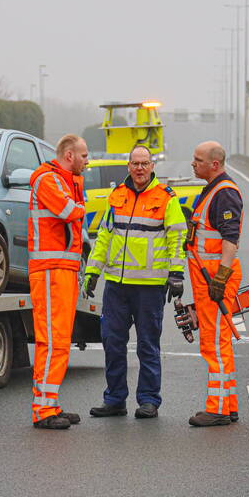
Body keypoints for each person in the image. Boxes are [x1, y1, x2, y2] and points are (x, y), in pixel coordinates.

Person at [83, 145, 186, 419]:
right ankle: (115, 399)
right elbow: (104, 238)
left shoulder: (166, 198)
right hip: (116, 285)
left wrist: (176, 273)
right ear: (128, 166)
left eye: (144, 163)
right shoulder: (116, 196)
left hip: (149, 286)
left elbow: (177, 237)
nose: (139, 168)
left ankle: (149, 400)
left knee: (147, 345)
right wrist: (92, 271)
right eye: (135, 163)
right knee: (112, 342)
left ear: (152, 166)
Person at [28, 134, 89, 430]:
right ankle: (43, 409)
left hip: (63, 268)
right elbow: (69, 212)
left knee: (60, 341)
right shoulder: (46, 179)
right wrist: (82, 205)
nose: (87, 161)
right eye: (84, 156)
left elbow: (74, 210)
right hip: (50, 269)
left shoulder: (67, 180)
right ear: (69, 155)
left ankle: (51, 403)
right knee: (52, 341)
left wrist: (78, 197)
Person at [185, 141, 243, 427]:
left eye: (198, 160)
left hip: (215, 279)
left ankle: (218, 408)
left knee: (215, 344)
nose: (193, 164)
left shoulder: (224, 193)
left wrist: (221, 277)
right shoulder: (211, 190)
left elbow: (231, 239)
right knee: (219, 342)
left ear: (215, 164)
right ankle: (228, 404)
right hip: (209, 279)